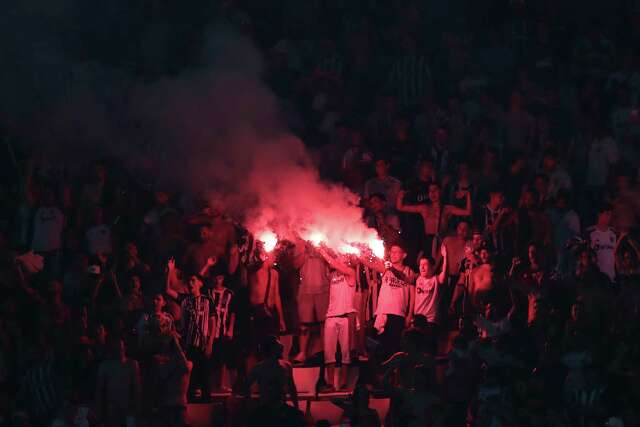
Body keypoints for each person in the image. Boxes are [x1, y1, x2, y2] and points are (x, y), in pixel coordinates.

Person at [165, 259, 216, 401]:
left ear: (200, 283)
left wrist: (210, 344)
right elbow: (167, 290)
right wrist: (170, 270)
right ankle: (191, 404)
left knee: (205, 375)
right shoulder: (184, 299)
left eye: (193, 280)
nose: (190, 283)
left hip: (203, 344)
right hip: (188, 345)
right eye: (189, 281)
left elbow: (213, 323)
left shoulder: (207, 301)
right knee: (190, 377)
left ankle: (206, 404)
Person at [315, 245, 357, 392]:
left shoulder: (351, 273)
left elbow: (333, 263)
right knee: (329, 352)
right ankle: (331, 384)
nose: (340, 257)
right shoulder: (332, 274)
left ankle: (344, 383)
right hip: (331, 316)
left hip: (345, 318)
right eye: (339, 256)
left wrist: (322, 250)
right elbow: (330, 266)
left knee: (345, 353)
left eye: (343, 256)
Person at [366, 243, 416, 360]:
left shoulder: (409, 271)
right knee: (379, 348)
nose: (392, 254)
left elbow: (412, 294)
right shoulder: (385, 268)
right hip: (382, 313)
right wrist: (360, 254)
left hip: (398, 314)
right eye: (391, 252)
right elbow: (369, 263)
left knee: (393, 349)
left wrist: (409, 314)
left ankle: (394, 375)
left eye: (396, 252)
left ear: (404, 255)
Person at [397, 183, 471, 259]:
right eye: (430, 190)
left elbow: (467, 212)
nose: (432, 193)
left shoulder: (447, 209)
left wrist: (468, 195)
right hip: (428, 243)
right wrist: (400, 197)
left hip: (441, 242)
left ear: (440, 191)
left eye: (435, 190)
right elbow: (400, 207)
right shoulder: (424, 208)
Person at [291, 241, 330, 365]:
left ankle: (326, 352)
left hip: (324, 288)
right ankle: (302, 352)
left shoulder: (324, 238)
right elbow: (295, 265)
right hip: (305, 289)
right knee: (304, 324)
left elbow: (332, 262)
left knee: (324, 324)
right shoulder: (300, 243)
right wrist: (305, 252)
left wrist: (321, 250)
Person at [95, 338, 141, 427]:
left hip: (127, 408)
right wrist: (99, 409)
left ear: (124, 348)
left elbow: (137, 388)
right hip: (111, 408)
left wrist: (138, 407)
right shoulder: (105, 366)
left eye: (119, 348)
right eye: (115, 348)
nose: (118, 351)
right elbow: (99, 390)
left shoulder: (132, 364)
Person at [413, 244, 448, 354]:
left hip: (430, 320)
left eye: (425, 265)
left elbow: (444, 275)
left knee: (428, 349)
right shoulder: (418, 279)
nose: (422, 267)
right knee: (417, 348)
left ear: (432, 267)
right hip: (418, 319)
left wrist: (445, 257)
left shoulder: (435, 279)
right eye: (420, 265)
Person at [151, 334, 192, 427]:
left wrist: (176, 346)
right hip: (166, 408)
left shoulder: (189, 365)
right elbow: (162, 374)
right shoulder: (163, 366)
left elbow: (185, 366)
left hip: (179, 408)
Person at [207, 272, 237, 393]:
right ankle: (209, 384)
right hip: (210, 331)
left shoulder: (229, 293)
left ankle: (221, 384)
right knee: (210, 357)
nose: (217, 280)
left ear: (223, 278)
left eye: (219, 277)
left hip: (223, 330)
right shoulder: (209, 292)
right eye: (215, 277)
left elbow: (232, 313)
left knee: (224, 357)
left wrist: (230, 329)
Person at [586, 203, 617, 282]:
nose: (609, 217)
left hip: (612, 277)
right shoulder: (590, 232)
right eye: (607, 214)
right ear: (599, 214)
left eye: (610, 215)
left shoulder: (614, 233)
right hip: (596, 279)